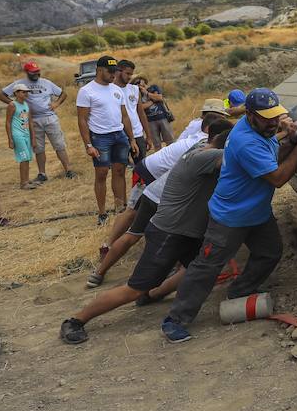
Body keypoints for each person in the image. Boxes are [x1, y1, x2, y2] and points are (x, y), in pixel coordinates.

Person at [59, 123, 234, 344]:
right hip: (170, 233)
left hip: (186, 231)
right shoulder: (206, 157)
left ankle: (152, 294)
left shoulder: (202, 146)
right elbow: (242, 158)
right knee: (134, 288)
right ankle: (76, 320)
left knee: (201, 267)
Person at [161, 88, 297, 343]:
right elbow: (278, 178)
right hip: (230, 217)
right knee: (207, 267)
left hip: (257, 213)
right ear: (250, 115)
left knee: (270, 252)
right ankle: (175, 319)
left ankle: (240, 291)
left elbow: (272, 158)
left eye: (275, 116)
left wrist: (291, 142)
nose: (273, 123)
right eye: (267, 118)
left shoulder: (260, 131)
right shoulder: (245, 141)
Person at [89, 113, 227, 287]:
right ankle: (164, 278)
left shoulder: (199, 143)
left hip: (154, 189)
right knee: (177, 234)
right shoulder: (212, 155)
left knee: (133, 234)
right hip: (161, 190)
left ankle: (98, 272)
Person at [76, 55, 139, 225]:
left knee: (119, 171)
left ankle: (120, 208)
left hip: (119, 135)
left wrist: (132, 139)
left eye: (115, 71)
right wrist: (88, 145)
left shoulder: (116, 90)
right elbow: (82, 120)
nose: (113, 74)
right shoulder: (86, 91)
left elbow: (125, 116)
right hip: (100, 137)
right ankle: (102, 212)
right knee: (102, 173)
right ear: (99, 70)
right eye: (110, 71)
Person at [0, 61, 76, 181]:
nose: (36, 74)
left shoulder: (46, 82)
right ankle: (42, 174)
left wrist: (56, 103)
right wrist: (15, 104)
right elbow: (0, 95)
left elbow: (63, 94)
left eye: (37, 71)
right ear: (26, 72)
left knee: (59, 145)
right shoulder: (20, 84)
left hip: (50, 118)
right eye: (33, 72)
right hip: (32, 120)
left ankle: (69, 170)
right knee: (39, 148)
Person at [114, 60, 151, 160]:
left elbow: (141, 113)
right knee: (120, 166)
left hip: (137, 133)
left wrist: (148, 136)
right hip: (120, 134)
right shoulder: (111, 90)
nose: (130, 77)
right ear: (118, 71)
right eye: (127, 73)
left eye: (131, 74)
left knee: (141, 165)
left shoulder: (134, 89)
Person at [5, 84, 38, 189]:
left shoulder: (26, 104)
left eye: (27, 92)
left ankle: (26, 180)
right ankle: (23, 183)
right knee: (23, 158)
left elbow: (30, 122)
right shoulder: (12, 105)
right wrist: (10, 139)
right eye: (23, 92)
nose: (26, 94)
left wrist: (33, 138)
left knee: (27, 157)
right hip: (17, 135)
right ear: (16, 93)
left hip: (26, 134)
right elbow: (8, 122)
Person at [143, 83, 175, 148]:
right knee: (156, 144)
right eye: (136, 83)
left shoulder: (154, 87)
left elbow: (159, 97)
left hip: (163, 117)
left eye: (140, 81)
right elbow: (141, 107)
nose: (138, 84)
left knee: (170, 141)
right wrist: (153, 100)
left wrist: (147, 93)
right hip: (150, 121)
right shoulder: (138, 93)